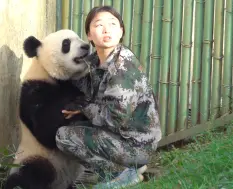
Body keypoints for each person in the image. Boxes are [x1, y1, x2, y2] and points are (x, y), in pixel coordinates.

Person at [56, 6, 162, 188]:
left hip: (135, 144)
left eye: (113, 24)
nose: (106, 29)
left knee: (65, 136)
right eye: (99, 25)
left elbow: (113, 120)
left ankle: (121, 174)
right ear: (89, 34)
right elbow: (85, 86)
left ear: (121, 32)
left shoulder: (122, 68)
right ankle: (128, 171)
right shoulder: (98, 62)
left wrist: (83, 108)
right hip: (123, 137)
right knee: (72, 127)